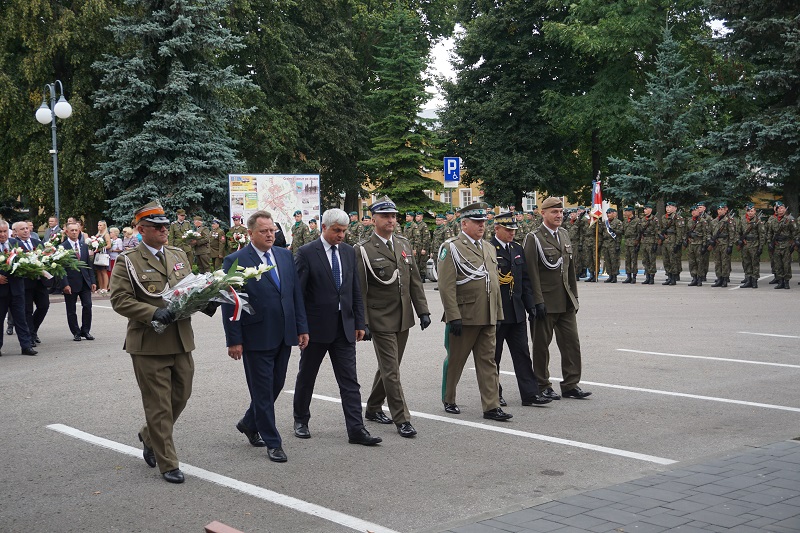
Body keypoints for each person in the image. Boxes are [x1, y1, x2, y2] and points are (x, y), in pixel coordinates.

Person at [110, 201, 196, 484]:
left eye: (165, 225)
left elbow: (189, 289)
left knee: (180, 396)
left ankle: (149, 435)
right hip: (149, 343)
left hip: (180, 339)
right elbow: (120, 299)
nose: (163, 230)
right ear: (141, 229)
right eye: (157, 227)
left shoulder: (177, 254)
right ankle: (167, 462)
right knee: (158, 405)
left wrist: (206, 300)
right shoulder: (128, 260)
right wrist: (152, 313)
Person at [222, 211, 309, 463]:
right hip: (256, 335)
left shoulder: (284, 255)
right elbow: (231, 303)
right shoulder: (236, 260)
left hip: (284, 333)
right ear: (250, 233)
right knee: (261, 391)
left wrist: (302, 327)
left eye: (272, 230)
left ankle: (249, 422)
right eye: (264, 231)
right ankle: (273, 441)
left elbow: (294, 295)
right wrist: (234, 340)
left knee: (276, 384)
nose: (270, 235)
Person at [293, 209, 381, 445]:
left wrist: (360, 322)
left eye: (344, 231)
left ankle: (356, 430)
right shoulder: (306, 253)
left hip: (345, 327)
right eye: (337, 231)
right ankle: (301, 420)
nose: (341, 235)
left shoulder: (348, 252)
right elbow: (298, 294)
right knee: (307, 376)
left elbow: (354, 289)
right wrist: (301, 327)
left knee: (350, 381)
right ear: (324, 228)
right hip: (316, 329)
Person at [355, 197, 431, 438]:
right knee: (391, 370)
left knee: (390, 367)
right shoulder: (363, 249)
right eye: (385, 216)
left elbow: (414, 280)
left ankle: (373, 407)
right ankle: (402, 419)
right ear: (373, 219)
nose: (391, 220)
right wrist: (363, 321)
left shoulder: (403, 243)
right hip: (380, 318)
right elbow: (360, 289)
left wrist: (423, 310)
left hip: (403, 316)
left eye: (393, 216)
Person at [437, 202, 512, 421]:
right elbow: (446, 286)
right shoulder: (451, 247)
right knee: (456, 360)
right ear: (464, 224)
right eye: (477, 222)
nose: (482, 226)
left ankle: (491, 406)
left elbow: (494, 283)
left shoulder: (488, 247)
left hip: (487, 315)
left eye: (483, 222)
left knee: (488, 361)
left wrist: (498, 313)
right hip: (464, 315)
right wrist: (453, 315)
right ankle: (449, 398)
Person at [523, 197, 592, 400]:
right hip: (545, 302)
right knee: (541, 346)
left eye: (561, 212)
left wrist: (574, 297)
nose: (559, 215)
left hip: (565, 300)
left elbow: (570, 270)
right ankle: (542, 384)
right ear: (542, 213)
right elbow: (531, 273)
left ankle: (571, 384)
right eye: (554, 212)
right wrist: (537, 301)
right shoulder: (534, 238)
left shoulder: (563, 234)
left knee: (572, 344)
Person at [491, 213, 551, 407]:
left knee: (523, 354)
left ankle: (530, 394)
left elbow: (524, 280)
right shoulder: (489, 249)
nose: (512, 233)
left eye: (514, 230)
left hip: (517, 312)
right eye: (508, 230)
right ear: (497, 229)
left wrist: (530, 305)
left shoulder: (517, 249)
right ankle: (494, 394)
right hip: (498, 313)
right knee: (494, 357)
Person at [0, 220, 37, 356]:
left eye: (5, 231)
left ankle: (26, 346)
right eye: (0, 232)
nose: (3, 234)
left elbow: (26, 263)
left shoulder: (16, 244)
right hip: (1, 291)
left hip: (17, 289)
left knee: (21, 319)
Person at [13, 221, 51, 346]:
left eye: (27, 228)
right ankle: (30, 336)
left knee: (44, 306)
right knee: (27, 310)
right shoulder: (14, 244)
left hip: (40, 281)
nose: (26, 230)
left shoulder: (37, 243)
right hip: (25, 283)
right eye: (22, 229)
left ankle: (33, 330)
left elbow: (45, 258)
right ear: (16, 232)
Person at [61, 222, 96, 341]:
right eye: (72, 230)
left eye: (76, 230)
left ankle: (86, 330)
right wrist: (65, 284)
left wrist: (93, 281)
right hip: (71, 283)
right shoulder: (63, 247)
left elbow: (88, 265)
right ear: (67, 232)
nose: (75, 232)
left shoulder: (84, 245)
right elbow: (61, 268)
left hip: (85, 282)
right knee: (71, 309)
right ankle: (76, 332)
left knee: (88, 305)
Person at [766, 201, 797, 289]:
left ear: (785, 209)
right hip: (776, 245)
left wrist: (794, 243)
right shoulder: (773, 220)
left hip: (786, 244)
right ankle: (780, 281)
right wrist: (769, 242)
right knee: (778, 264)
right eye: (778, 208)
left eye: (782, 208)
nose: (780, 210)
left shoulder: (789, 220)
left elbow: (795, 232)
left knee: (786, 264)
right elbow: (770, 233)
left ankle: (786, 282)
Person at [709, 202, 736, 287]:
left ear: (725, 210)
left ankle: (725, 279)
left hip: (725, 244)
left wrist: (730, 245)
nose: (720, 211)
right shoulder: (714, 221)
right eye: (719, 209)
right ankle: (719, 278)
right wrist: (710, 240)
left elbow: (731, 234)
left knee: (725, 262)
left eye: (722, 209)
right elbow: (709, 232)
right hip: (716, 244)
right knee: (717, 262)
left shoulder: (728, 221)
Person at [659, 202, 685, 285]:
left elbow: (680, 232)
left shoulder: (678, 218)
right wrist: (661, 235)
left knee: (673, 260)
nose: (668, 209)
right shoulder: (663, 217)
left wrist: (678, 243)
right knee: (666, 259)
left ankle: (674, 277)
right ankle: (669, 276)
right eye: (667, 207)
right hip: (665, 241)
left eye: (670, 207)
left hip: (673, 240)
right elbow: (661, 228)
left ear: (675, 208)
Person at [686, 204, 710, 287]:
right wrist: (688, 237)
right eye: (692, 211)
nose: (693, 212)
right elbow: (686, 232)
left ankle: (700, 278)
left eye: (695, 210)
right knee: (692, 262)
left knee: (699, 262)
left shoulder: (703, 221)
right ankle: (694, 278)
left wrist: (704, 245)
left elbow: (706, 233)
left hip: (699, 243)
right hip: (691, 244)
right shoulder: (690, 221)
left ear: (698, 211)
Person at [638, 204, 661, 284]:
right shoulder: (643, 219)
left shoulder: (654, 219)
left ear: (650, 210)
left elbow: (657, 231)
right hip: (644, 241)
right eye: (644, 209)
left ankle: (652, 277)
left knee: (651, 260)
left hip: (651, 241)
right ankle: (647, 276)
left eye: (646, 209)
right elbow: (640, 231)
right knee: (645, 260)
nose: (645, 210)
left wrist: (655, 243)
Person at [601, 208, 624, 283]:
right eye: (607, 213)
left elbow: (620, 233)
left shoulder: (618, 222)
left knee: (614, 260)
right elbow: (602, 232)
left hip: (613, 243)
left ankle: (614, 276)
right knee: (607, 260)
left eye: (610, 213)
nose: (608, 215)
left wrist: (618, 244)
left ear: (614, 214)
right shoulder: (605, 223)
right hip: (606, 244)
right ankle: (610, 275)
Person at [621, 206, 640, 283]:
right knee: (627, 260)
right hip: (627, 241)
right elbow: (622, 231)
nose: (625, 213)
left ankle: (634, 276)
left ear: (631, 212)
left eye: (626, 211)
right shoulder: (625, 221)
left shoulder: (637, 221)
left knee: (634, 260)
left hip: (634, 241)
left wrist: (637, 242)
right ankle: (628, 276)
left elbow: (639, 232)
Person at [94, 220, 112, 294]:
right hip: (98, 254)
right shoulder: (98, 234)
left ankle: (105, 288)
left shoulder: (106, 235)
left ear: (104, 226)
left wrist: (101, 248)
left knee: (103, 271)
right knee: (98, 271)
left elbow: (109, 245)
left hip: (104, 254)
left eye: (101, 225)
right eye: (98, 225)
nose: (99, 227)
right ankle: (100, 287)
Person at [414, 212, 431, 281]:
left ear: (421, 217)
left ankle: (423, 276)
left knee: (422, 262)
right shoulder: (415, 225)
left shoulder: (424, 225)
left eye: (418, 216)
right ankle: (418, 276)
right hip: (417, 246)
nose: (416, 218)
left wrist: (424, 248)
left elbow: (425, 237)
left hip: (422, 246)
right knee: (417, 262)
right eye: (416, 216)